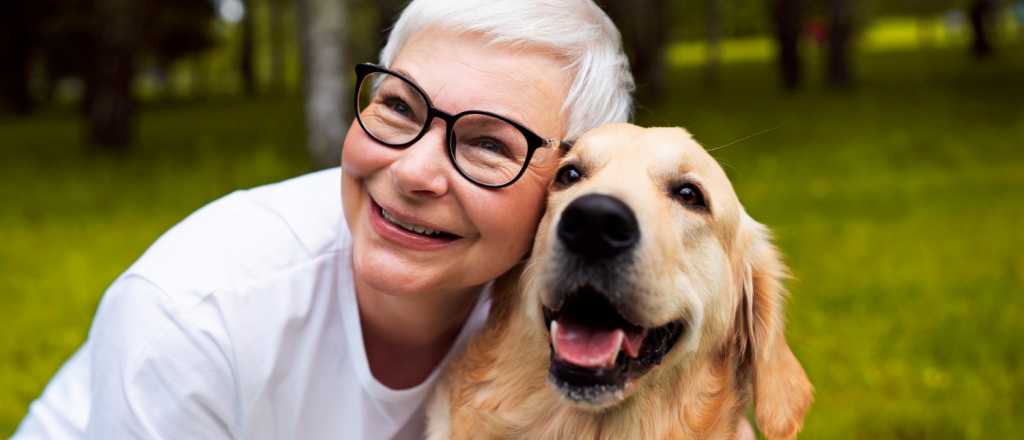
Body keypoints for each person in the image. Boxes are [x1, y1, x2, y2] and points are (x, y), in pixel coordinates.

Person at [12, 1, 634, 438]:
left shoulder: (578, 328)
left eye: (488, 145)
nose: (414, 170)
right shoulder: (194, 314)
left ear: (567, 186)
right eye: (398, 105)